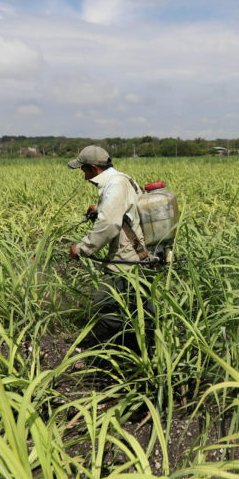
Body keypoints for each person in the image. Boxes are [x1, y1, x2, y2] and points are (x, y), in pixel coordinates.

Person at [67, 145, 154, 351]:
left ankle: (125, 349)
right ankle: (144, 344)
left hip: (127, 257)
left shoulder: (114, 185)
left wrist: (81, 249)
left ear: (94, 168)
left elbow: (109, 225)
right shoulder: (123, 179)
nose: (84, 176)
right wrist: (99, 209)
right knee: (139, 303)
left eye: (84, 170)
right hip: (139, 253)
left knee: (104, 305)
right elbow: (126, 209)